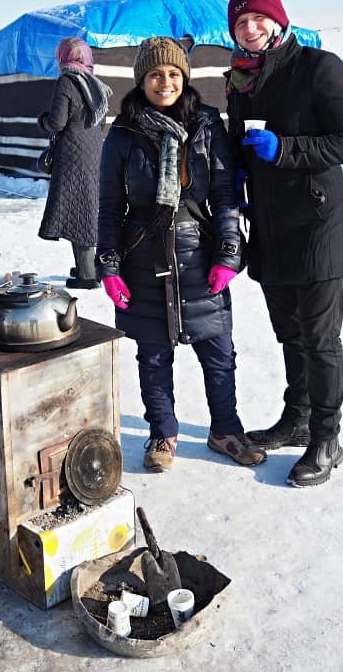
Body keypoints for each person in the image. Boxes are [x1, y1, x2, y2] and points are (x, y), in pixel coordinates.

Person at [96, 36, 266, 473]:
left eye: (173, 73)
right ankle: (162, 432)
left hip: (198, 252)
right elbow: (111, 206)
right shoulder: (123, 132)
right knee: (153, 356)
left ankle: (225, 430)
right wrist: (109, 267)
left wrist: (229, 254)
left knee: (218, 351)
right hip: (142, 257)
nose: (165, 82)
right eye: (155, 74)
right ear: (141, 80)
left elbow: (227, 193)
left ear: (184, 77)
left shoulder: (207, 125)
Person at [223, 0, 343, 487]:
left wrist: (284, 150)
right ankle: (298, 417)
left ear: (278, 20)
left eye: (258, 18)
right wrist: (239, 165)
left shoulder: (319, 67)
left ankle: (327, 438)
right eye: (241, 22)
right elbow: (242, 142)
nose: (250, 28)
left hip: (317, 223)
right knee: (289, 333)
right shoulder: (240, 81)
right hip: (268, 223)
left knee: (320, 338)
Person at [38, 37, 112, 289]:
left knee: (76, 211)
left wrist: (42, 120)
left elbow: (57, 123)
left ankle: (88, 276)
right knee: (87, 208)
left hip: (72, 156)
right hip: (94, 153)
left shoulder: (67, 82)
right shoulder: (96, 84)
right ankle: (88, 265)